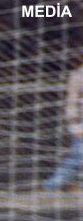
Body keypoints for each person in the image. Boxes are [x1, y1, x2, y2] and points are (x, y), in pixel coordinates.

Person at [44, 60, 83, 191]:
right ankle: (52, 185)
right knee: (78, 157)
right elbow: (71, 102)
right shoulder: (78, 75)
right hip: (81, 123)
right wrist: (75, 125)